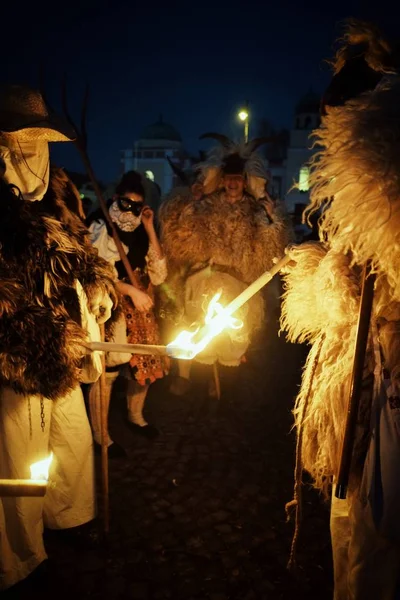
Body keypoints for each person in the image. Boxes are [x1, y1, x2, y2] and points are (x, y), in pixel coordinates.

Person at [281, 20, 400, 600]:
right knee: (349, 525)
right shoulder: (357, 210)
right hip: (353, 384)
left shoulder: (388, 204)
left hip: (387, 391)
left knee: (379, 535)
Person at [0, 84, 118, 592]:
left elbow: (77, 262)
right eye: (21, 142)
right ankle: (21, 556)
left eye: (38, 142)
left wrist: (95, 289)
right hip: (18, 354)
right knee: (20, 456)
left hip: (64, 344)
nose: (33, 153)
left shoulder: (59, 198)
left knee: (70, 442)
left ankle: (68, 518)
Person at [159, 134, 291, 398]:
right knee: (203, 335)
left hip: (238, 287)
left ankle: (226, 391)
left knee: (234, 338)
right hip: (205, 282)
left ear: (244, 181)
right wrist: (191, 202)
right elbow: (180, 236)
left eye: (238, 179)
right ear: (222, 179)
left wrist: (269, 217)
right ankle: (203, 385)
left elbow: (270, 249)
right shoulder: (207, 206)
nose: (232, 183)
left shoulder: (255, 211)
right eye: (229, 178)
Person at [87, 170, 168, 453]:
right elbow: (97, 273)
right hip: (110, 305)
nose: (130, 210)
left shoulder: (141, 231)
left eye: (137, 205)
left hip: (141, 307)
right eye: (126, 203)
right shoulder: (99, 226)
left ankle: (136, 417)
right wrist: (131, 291)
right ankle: (101, 435)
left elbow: (159, 275)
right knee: (107, 371)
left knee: (144, 365)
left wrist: (149, 227)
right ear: (115, 198)